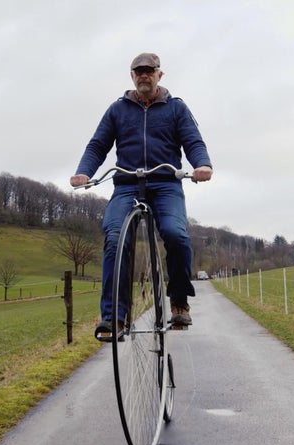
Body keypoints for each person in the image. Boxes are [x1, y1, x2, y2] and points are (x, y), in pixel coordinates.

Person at [70, 52, 213, 341]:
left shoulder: (176, 109)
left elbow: (193, 141)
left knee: (176, 234)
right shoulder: (117, 110)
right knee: (114, 238)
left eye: (149, 70)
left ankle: (179, 302)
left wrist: (202, 164)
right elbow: (97, 145)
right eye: (138, 71)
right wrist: (83, 172)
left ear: (160, 75)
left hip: (165, 183)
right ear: (132, 76)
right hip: (126, 184)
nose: (144, 75)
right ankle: (114, 317)